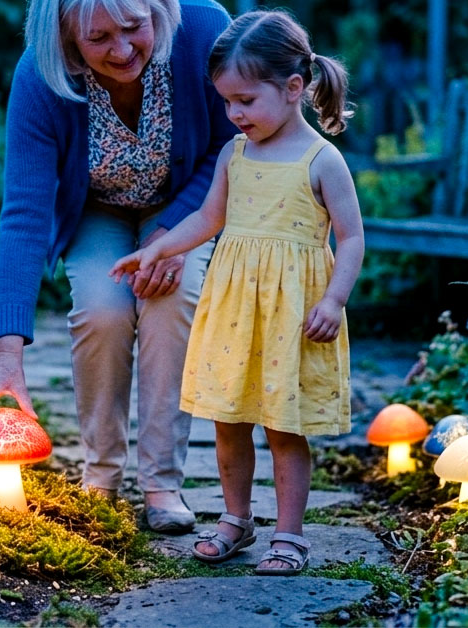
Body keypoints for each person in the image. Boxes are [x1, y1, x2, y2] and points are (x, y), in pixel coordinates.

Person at [0, 0, 236, 534]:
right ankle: (101, 476)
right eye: (99, 38)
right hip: (97, 212)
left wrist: (171, 234)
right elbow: (24, 212)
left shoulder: (204, 30)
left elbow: (230, 145)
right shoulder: (41, 74)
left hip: (187, 207)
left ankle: (161, 483)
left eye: (135, 27)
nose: (123, 48)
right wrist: (6, 354)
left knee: (171, 298)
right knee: (102, 311)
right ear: (64, 36)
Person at [109, 9, 364, 574]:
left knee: (283, 425)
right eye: (227, 102)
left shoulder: (322, 161)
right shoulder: (235, 154)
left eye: (246, 100)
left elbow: (351, 239)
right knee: (228, 420)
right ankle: (236, 519)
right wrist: (158, 249)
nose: (234, 114)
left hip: (292, 314)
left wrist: (333, 300)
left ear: (294, 88)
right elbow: (206, 218)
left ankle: (290, 533)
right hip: (235, 311)